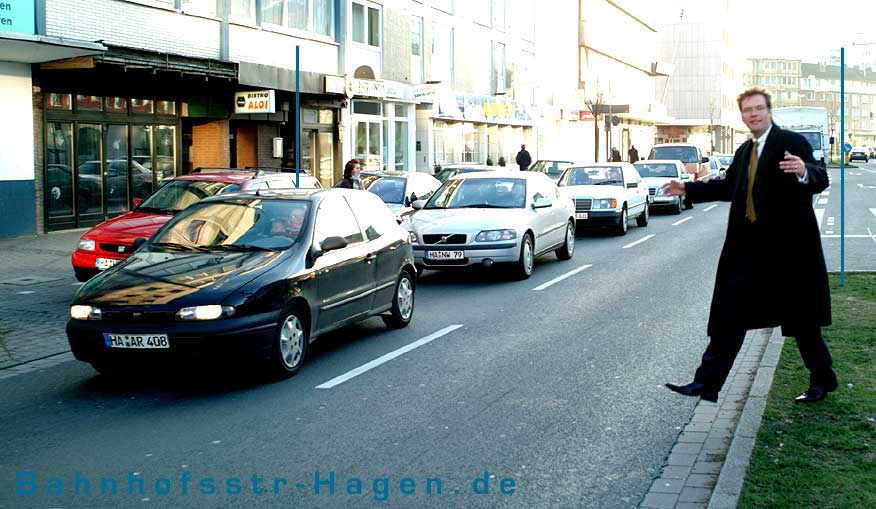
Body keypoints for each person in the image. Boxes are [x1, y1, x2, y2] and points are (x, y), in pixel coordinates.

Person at [662, 87, 836, 404]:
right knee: (730, 316)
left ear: (769, 112)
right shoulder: (745, 152)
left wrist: (803, 172)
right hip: (749, 254)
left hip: (789, 253)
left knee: (803, 322)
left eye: (758, 108)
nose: (753, 114)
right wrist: (688, 187)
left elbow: (821, 178)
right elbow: (729, 187)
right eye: (747, 110)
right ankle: (706, 383)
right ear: (742, 116)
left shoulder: (791, 143)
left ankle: (822, 380)